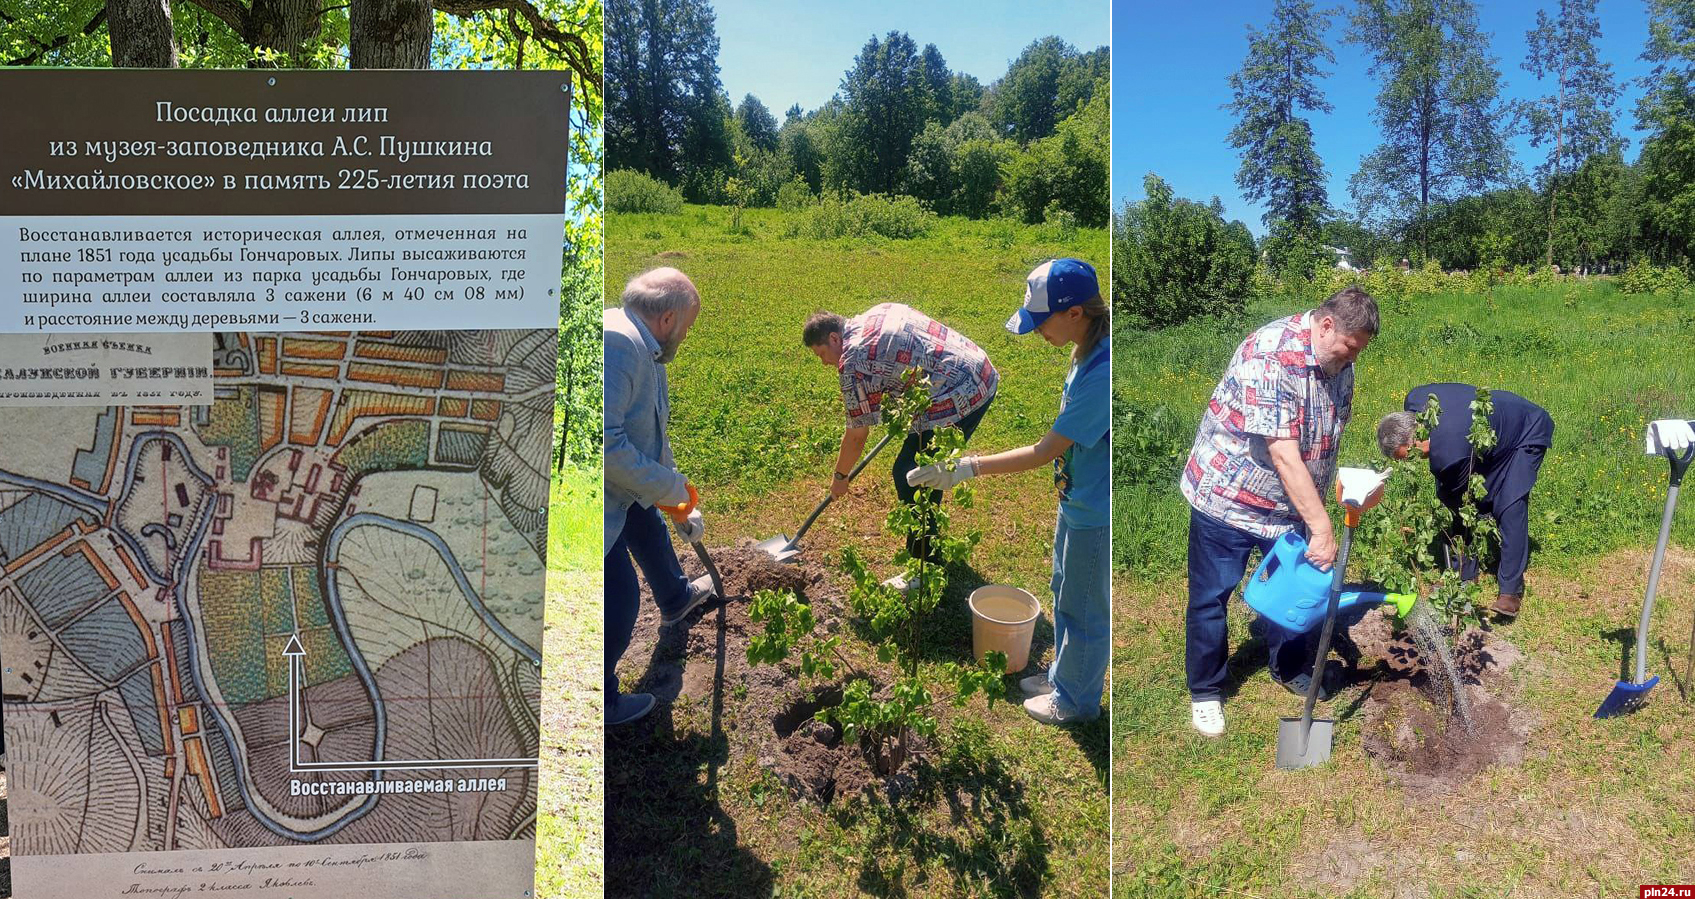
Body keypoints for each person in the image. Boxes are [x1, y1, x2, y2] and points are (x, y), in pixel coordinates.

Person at [908, 259, 1109, 726]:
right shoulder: (1085, 351)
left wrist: (966, 468)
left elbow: (1044, 451)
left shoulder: (1102, 373)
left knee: (1083, 608)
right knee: (1064, 589)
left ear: (1076, 312)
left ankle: (1077, 700)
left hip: (1097, 511)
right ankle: (1065, 675)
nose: (1038, 333)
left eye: (1042, 323)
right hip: (1076, 500)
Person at [1180, 287, 1381, 738]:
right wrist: (1320, 526)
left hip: (1288, 504)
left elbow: (1327, 436)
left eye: (1360, 350)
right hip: (1228, 497)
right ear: (1326, 325)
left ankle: (1288, 665)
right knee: (1213, 596)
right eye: (1351, 346)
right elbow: (1283, 452)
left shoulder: (1341, 363)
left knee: (1292, 590)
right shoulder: (1269, 355)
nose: (1353, 358)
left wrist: (1347, 489)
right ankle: (1206, 691)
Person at [604, 267, 718, 726]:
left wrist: (676, 501)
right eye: (687, 327)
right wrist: (671, 487)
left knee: (648, 526)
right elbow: (606, 446)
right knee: (620, 599)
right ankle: (600, 699)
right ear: (668, 318)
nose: (685, 338)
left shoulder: (641, 345)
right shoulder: (620, 347)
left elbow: (648, 432)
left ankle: (675, 598)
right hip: (595, 494)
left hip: (622, 487)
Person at [802, 302, 997, 566]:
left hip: (964, 393)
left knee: (913, 474)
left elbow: (857, 435)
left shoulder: (853, 363)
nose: (825, 363)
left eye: (822, 354)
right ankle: (925, 550)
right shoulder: (876, 312)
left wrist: (840, 477)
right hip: (977, 368)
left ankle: (924, 563)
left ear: (835, 338)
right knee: (920, 468)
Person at [1376, 384, 1554, 620]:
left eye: (1410, 455)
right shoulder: (1415, 401)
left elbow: (1461, 501)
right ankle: (1464, 575)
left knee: (1509, 504)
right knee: (1462, 503)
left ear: (1415, 437)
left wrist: (1473, 510)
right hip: (1490, 436)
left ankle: (1511, 591)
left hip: (1526, 430)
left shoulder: (1449, 448)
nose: (1415, 461)